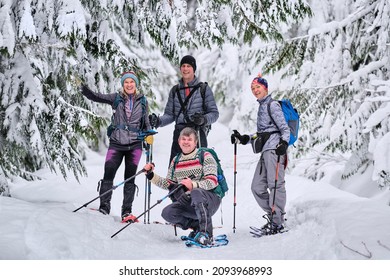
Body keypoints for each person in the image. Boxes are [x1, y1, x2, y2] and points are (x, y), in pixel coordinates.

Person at [81, 71, 153, 222]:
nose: (129, 85)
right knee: (108, 173)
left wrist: (148, 134)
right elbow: (97, 96)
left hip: (135, 145)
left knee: (130, 178)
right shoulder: (116, 98)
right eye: (126, 82)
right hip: (116, 143)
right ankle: (104, 207)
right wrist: (84, 89)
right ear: (123, 84)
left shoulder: (143, 101)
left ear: (136, 84)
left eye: (131, 82)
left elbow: (146, 122)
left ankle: (126, 212)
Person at [230, 74, 289, 235]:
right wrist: (244, 139)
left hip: (275, 151)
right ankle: (274, 217)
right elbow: (262, 134)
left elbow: (284, 128)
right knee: (256, 187)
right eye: (253, 88)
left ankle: (277, 223)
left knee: (275, 185)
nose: (255, 90)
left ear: (265, 88)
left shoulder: (272, 105)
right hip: (265, 151)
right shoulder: (262, 106)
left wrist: (283, 143)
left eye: (258, 87)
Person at [143, 127, 221, 245]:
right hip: (190, 202)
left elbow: (212, 181)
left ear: (195, 142)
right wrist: (150, 175)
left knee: (196, 192)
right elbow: (168, 184)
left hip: (210, 200)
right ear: (179, 142)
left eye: (189, 139)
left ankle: (206, 234)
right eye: (183, 139)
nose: (186, 142)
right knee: (168, 213)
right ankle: (197, 227)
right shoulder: (176, 160)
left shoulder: (205, 156)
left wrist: (193, 185)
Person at [149, 55, 219, 162]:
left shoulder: (203, 89)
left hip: (197, 135)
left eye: (188, 66)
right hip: (179, 135)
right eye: (183, 66)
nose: (185, 69)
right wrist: (158, 121)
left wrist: (203, 119)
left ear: (193, 69)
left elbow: (214, 114)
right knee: (174, 171)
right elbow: (170, 115)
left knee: (197, 172)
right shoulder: (175, 90)